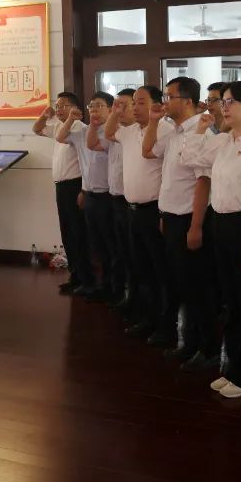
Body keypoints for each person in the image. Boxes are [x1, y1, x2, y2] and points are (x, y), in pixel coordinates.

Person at [180, 81, 241, 399]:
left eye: (232, 102)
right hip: (221, 224)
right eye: (223, 102)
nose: (224, 108)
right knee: (231, 302)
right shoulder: (222, 142)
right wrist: (201, 129)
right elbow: (189, 158)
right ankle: (232, 368)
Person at [142, 76, 221, 371]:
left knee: (199, 288)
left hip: (191, 220)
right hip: (172, 218)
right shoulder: (175, 132)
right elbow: (148, 150)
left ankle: (209, 350)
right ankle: (190, 344)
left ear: (187, 101)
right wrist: (153, 120)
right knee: (183, 287)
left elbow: (203, 182)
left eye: (170, 96)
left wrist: (196, 226)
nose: (164, 101)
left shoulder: (202, 132)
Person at [104, 86, 176, 346]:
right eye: (133, 102)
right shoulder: (130, 131)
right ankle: (147, 318)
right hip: (132, 210)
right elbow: (108, 133)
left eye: (141, 102)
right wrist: (115, 111)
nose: (134, 107)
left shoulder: (166, 130)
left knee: (160, 272)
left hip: (154, 211)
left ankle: (166, 327)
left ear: (156, 104)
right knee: (141, 268)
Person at [32, 92, 95, 297]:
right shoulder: (60, 126)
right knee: (67, 234)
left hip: (75, 186)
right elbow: (36, 129)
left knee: (79, 234)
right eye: (57, 106)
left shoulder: (79, 128)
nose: (58, 109)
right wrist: (45, 115)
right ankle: (75, 277)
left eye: (62, 106)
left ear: (74, 107)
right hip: (61, 187)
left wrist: (84, 190)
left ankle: (87, 280)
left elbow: (87, 163)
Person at [60, 92, 117, 302]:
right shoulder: (82, 132)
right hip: (90, 196)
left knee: (112, 246)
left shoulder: (114, 133)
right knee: (96, 245)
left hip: (109, 197)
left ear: (110, 109)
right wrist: (70, 119)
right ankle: (101, 286)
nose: (94, 109)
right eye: (91, 106)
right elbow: (60, 137)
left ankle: (114, 288)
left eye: (99, 105)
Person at [89, 88, 135, 309]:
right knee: (117, 250)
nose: (120, 109)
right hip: (114, 199)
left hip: (133, 202)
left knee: (133, 254)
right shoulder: (116, 132)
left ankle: (132, 297)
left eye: (124, 105)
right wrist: (94, 124)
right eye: (117, 105)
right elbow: (93, 145)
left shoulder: (140, 133)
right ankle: (118, 292)